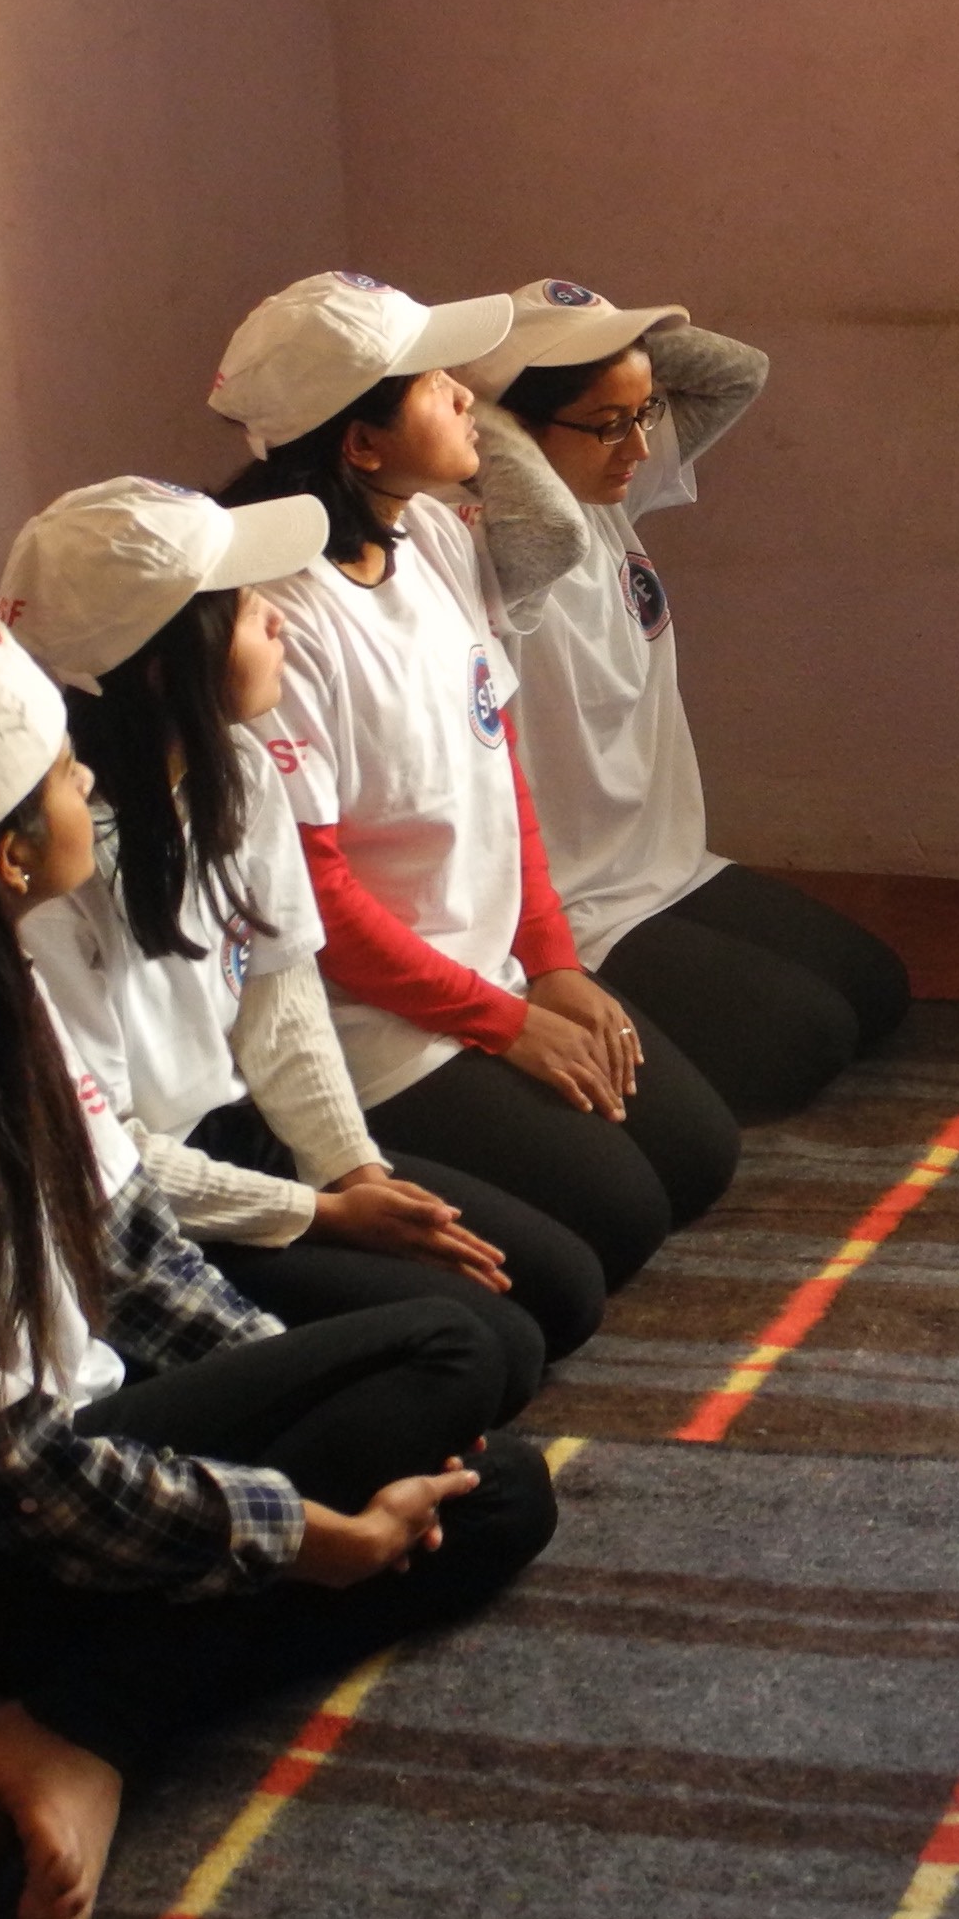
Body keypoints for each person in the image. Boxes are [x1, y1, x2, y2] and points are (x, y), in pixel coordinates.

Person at [0, 612, 554, 1919]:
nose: (91, 783)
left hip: (50, 1447)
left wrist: (317, 1414)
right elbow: (20, 1487)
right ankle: (70, 1727)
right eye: (67, 776)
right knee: (455, 1396)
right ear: (12, 854)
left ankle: (52, 1721)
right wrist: (305, 1530)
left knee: (475, 1455)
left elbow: (132, 1247)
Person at [0, 476, 599, 1411]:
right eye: (243, 607)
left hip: (248, 1146)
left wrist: (353, 1169)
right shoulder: (55, 881)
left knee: (559, 1290)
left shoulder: (235, 766)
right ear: (164, 663)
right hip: (149, 1211)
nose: (274, 619)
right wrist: (320, 1213)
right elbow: (106, 1158)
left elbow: (283, 1001)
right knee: (492, 1353)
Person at [213, 272, 740, 1300]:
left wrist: (550, 966)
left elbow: (501, 772)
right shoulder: (274, 621)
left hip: (492, 972)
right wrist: (502, 1026)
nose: (468, 397)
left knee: (694, 1157)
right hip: (379, 1021)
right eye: (432, 383)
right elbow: (316, 902)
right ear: (360, 444)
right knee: (617, 1225)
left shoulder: (440, 542)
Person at [464, 280, 910, 1121]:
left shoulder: (606, 492)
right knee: (800, 1043)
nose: (637, 446)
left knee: (874, 991)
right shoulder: (498, 538)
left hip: (667, 865)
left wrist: (616, 347)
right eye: (608, 424)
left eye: (645, 415)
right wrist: (475, 394)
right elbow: (540, 522)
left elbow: (737, 373)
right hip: (581, 904)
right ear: (512, 432)